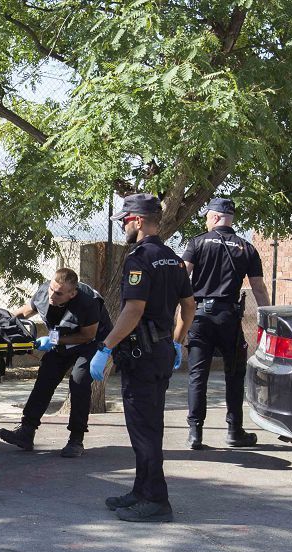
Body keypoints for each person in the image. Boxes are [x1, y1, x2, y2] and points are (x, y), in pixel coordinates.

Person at [88, 193, 195, 523]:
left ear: (136, 220)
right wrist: (177, 342)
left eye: (124, 220)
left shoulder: (140, 259)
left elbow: (133, 310)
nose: (122, 226)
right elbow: (189, 305)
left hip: (142, 355)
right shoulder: (172, 258)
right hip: (161, 351)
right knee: (146, 426)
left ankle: (157, 500)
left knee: (145, 430)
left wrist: (105, 347)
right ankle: (140, 490)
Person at [181, 197, 270, 450]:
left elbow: (182, 274)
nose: (206, 220)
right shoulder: (246, 247)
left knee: (197, 375)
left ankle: (194, 433)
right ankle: (234, 431)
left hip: (199, 317)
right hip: (228, 319)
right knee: (234, 373)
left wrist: (178, 309)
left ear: (216, 217)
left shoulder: (197, 242)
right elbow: (258, 288)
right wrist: (269, 318)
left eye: (208, 215)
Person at [0, 268, 112, 458]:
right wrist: (0, 324)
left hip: (90, 343)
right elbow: (22, 313)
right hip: (61, 337)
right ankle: (26, 431)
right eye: (52, 289)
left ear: (72, 293)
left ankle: (76, 439)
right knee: (45, 378)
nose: (52, 295)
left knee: (79, 381)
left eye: (58, 293)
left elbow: (87, 335)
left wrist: (52, 340)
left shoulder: (87, 302)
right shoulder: (44, 292)